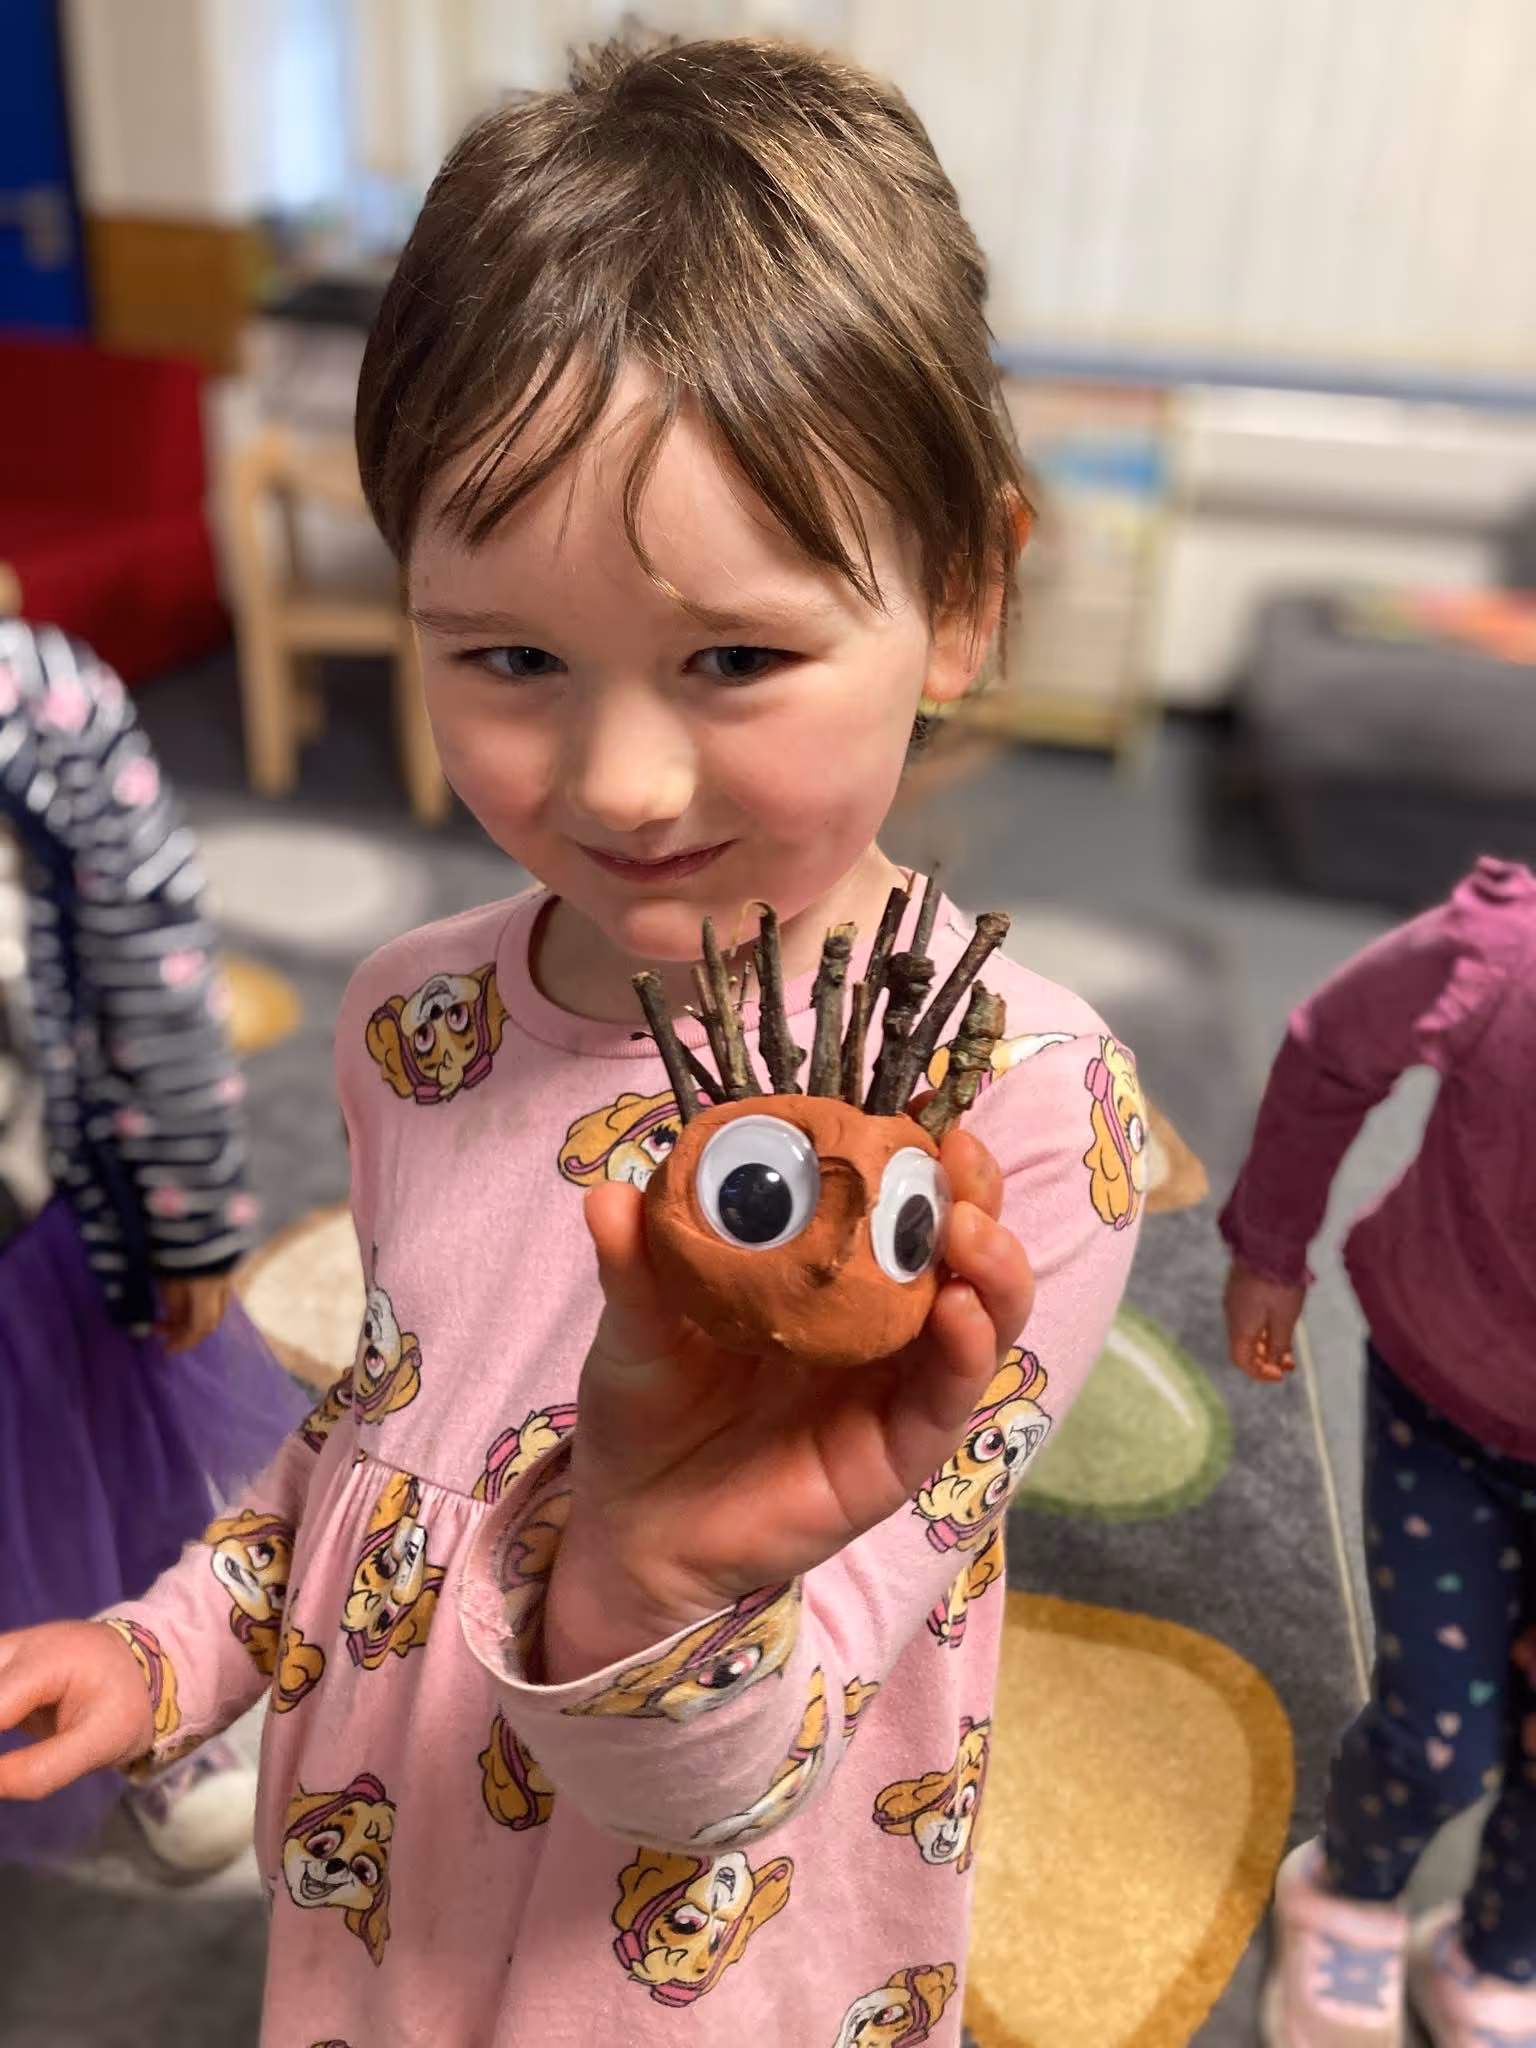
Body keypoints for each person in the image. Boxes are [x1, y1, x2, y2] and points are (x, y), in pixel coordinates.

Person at [0, 37, 1141, 2042]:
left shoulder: (1019, 1119)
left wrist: (645, 1584)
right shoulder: (412, 1023)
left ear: (960, 597)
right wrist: (174, 1641)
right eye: (510, 656)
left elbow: (785, 1730)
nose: (618, 778)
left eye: (737, 657)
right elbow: (377, 1435)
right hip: (377, 1901)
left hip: (699, 1966)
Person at [0, 620, 304, 1873]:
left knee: (96, 1481)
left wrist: (184, 1212)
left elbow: (155, 966)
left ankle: (153, 1694)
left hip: (30, 1223)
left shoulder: (41, 704)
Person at [1221, 856, 1536, 2047]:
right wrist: (1270, 1242)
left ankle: (1499, 1952)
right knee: (1439, 1733)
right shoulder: (1504, 956)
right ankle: (1350, 1887)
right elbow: (1332, 1046)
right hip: (1447, 1392)